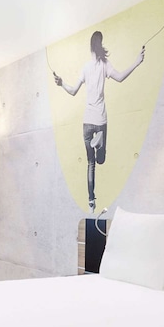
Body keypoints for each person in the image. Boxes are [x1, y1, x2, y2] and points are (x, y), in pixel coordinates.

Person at [53, 31, 145, 211]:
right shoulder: (105, 65)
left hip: (87, 122)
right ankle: (99, 145)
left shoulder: (85, 67)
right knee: (101, 159)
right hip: (100, 120)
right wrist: (137, 61)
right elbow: (120, 77)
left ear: (90, 47)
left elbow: (73, 91)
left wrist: (61, 82)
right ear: (100, 45)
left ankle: (91, 201)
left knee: (91, 163)